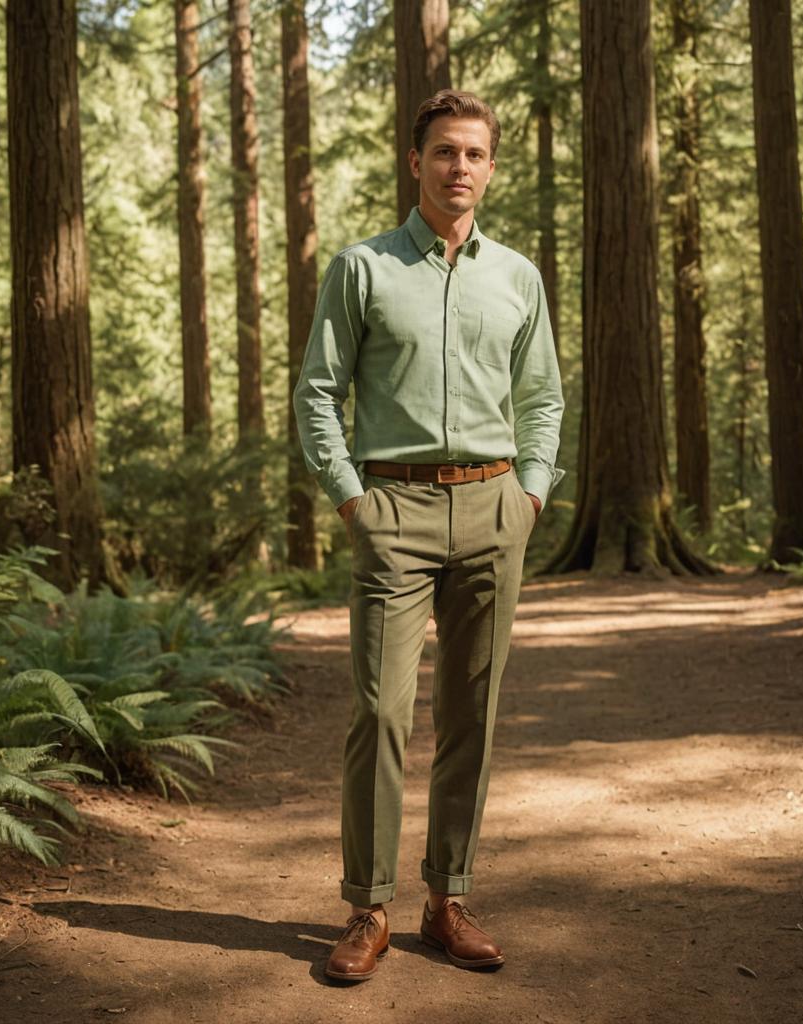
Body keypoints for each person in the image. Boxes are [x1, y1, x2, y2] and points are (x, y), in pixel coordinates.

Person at [293, 89, 564, 982]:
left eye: (475, 154)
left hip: (494, 510)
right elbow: (319, 392)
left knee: (472, 714)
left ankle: (448, 897)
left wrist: (528, 494)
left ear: (490, 166)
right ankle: (367, 906)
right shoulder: (362, 268)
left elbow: (542, 400)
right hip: (393, 513)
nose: (460, 168)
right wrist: (350, 499)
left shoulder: (517, 277)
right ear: (416, 162)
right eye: (445, 152)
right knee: (379, 710)